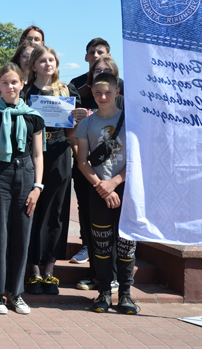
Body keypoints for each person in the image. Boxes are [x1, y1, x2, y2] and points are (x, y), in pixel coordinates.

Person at [0, 63, 45, 315]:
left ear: (22, 83)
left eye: (14, 82)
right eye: (4, 83)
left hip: (26, 175)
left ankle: (16, 294)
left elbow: (38, 154)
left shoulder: (33, 116)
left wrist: (37, 187)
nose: (10, 87)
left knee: (22, 236)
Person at [75, 72, 137, 314]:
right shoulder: (86, 124)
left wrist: (115, 182)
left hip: (126, 189)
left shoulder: (131, 121)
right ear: (92, 93)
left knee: (125, 245)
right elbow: (82, 161)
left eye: (108, 93)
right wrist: (102, 185)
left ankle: (125, 294)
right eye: (98, 93)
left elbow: (136, 160)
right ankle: (103, 292)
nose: (103, 97)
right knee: (101, 245)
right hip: (97, 189)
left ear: (117, 93)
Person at [23, 45, 80, 296]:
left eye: (51, 60)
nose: (48, 64)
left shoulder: (67, 91)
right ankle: (33, 269)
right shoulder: (25, 92)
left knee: (56, 212)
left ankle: (49, 269)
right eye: (43, 60)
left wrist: (78, 118)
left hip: (59, 154)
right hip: (32, 155)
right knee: (32, 209)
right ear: (33, 65)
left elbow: (73, 132)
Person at [68, 39, 125, 292]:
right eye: (97, 72)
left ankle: (117, 279)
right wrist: (73, 119)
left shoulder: (125, 98)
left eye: (106, 73)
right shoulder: (79, 90)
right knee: (93, 224)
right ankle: (96, 275)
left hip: (118, 175)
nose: (101, 79)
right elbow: (74, 138)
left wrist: (112, 183)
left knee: (118, 229)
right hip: (89, 172)